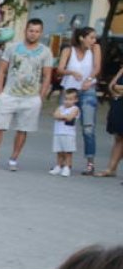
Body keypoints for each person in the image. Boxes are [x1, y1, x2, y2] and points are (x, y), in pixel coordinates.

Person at [0, 19, 54, 171]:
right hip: (9, 94)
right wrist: (0, 91)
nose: (33, 34)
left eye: (37, 31)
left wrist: (41, 96)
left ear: (41, 33)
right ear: (25, 31)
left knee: (23, 129)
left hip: (31, 96)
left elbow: (47, 75)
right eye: (31, 30)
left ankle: (14, 159)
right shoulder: (12, 48)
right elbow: (2, 69)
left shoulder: (45, 51)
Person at [55, 27, 101, 174]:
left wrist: (89, 79)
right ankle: (63, 163)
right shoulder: (69, 50)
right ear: (82, 38)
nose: (94, 40)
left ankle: (90, 163)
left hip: (88, 91)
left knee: (88, 127)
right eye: (91, 37)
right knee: (64, 126)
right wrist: (71, 72)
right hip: (70, 92)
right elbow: (60, 69)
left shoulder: (95, 49)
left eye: (95, 38)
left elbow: (96, 67)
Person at [95, 66, 123, 179]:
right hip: (119, 104)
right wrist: (116, 89)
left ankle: (112, 168)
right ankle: (111, 168)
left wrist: (118, 88)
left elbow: (117, 87)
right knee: (119, 137)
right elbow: (111, 86)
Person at [50, 89, 80, 177]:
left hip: (69, 134)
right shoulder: (60, 107)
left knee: (68, 152)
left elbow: (70, 118)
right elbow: (55, 115)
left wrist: (61, 116)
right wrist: (64, 116)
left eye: (70, 99)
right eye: (66, 99)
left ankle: (67, 167)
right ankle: (58, 166)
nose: (67, 101)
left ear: (76, 100)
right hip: (58, 133)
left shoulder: (75, 109)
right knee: (59, 151)